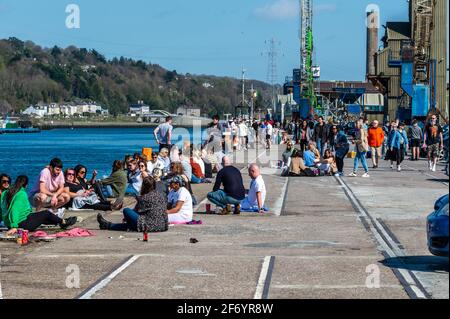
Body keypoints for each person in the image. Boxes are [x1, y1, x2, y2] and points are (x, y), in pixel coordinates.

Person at [1, 175, 77, 235]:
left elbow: (1, 209)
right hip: (20, 225)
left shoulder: (5, 193)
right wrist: (14, 227)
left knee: (41, 217)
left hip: (12, 223)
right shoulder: (21, 194)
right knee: (45, 213)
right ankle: (63, 222)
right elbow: (15, 209)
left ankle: (61, 222)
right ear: (26, 185)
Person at [97, 176, 168, 233]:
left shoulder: (145, 198)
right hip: (163, 225)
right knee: (134, 224)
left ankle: (109, 225)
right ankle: (108, 225)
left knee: (126, 210)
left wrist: (138, 201)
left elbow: (136, 211)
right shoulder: (160, 195)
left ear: (144, 186)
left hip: (151, 225)